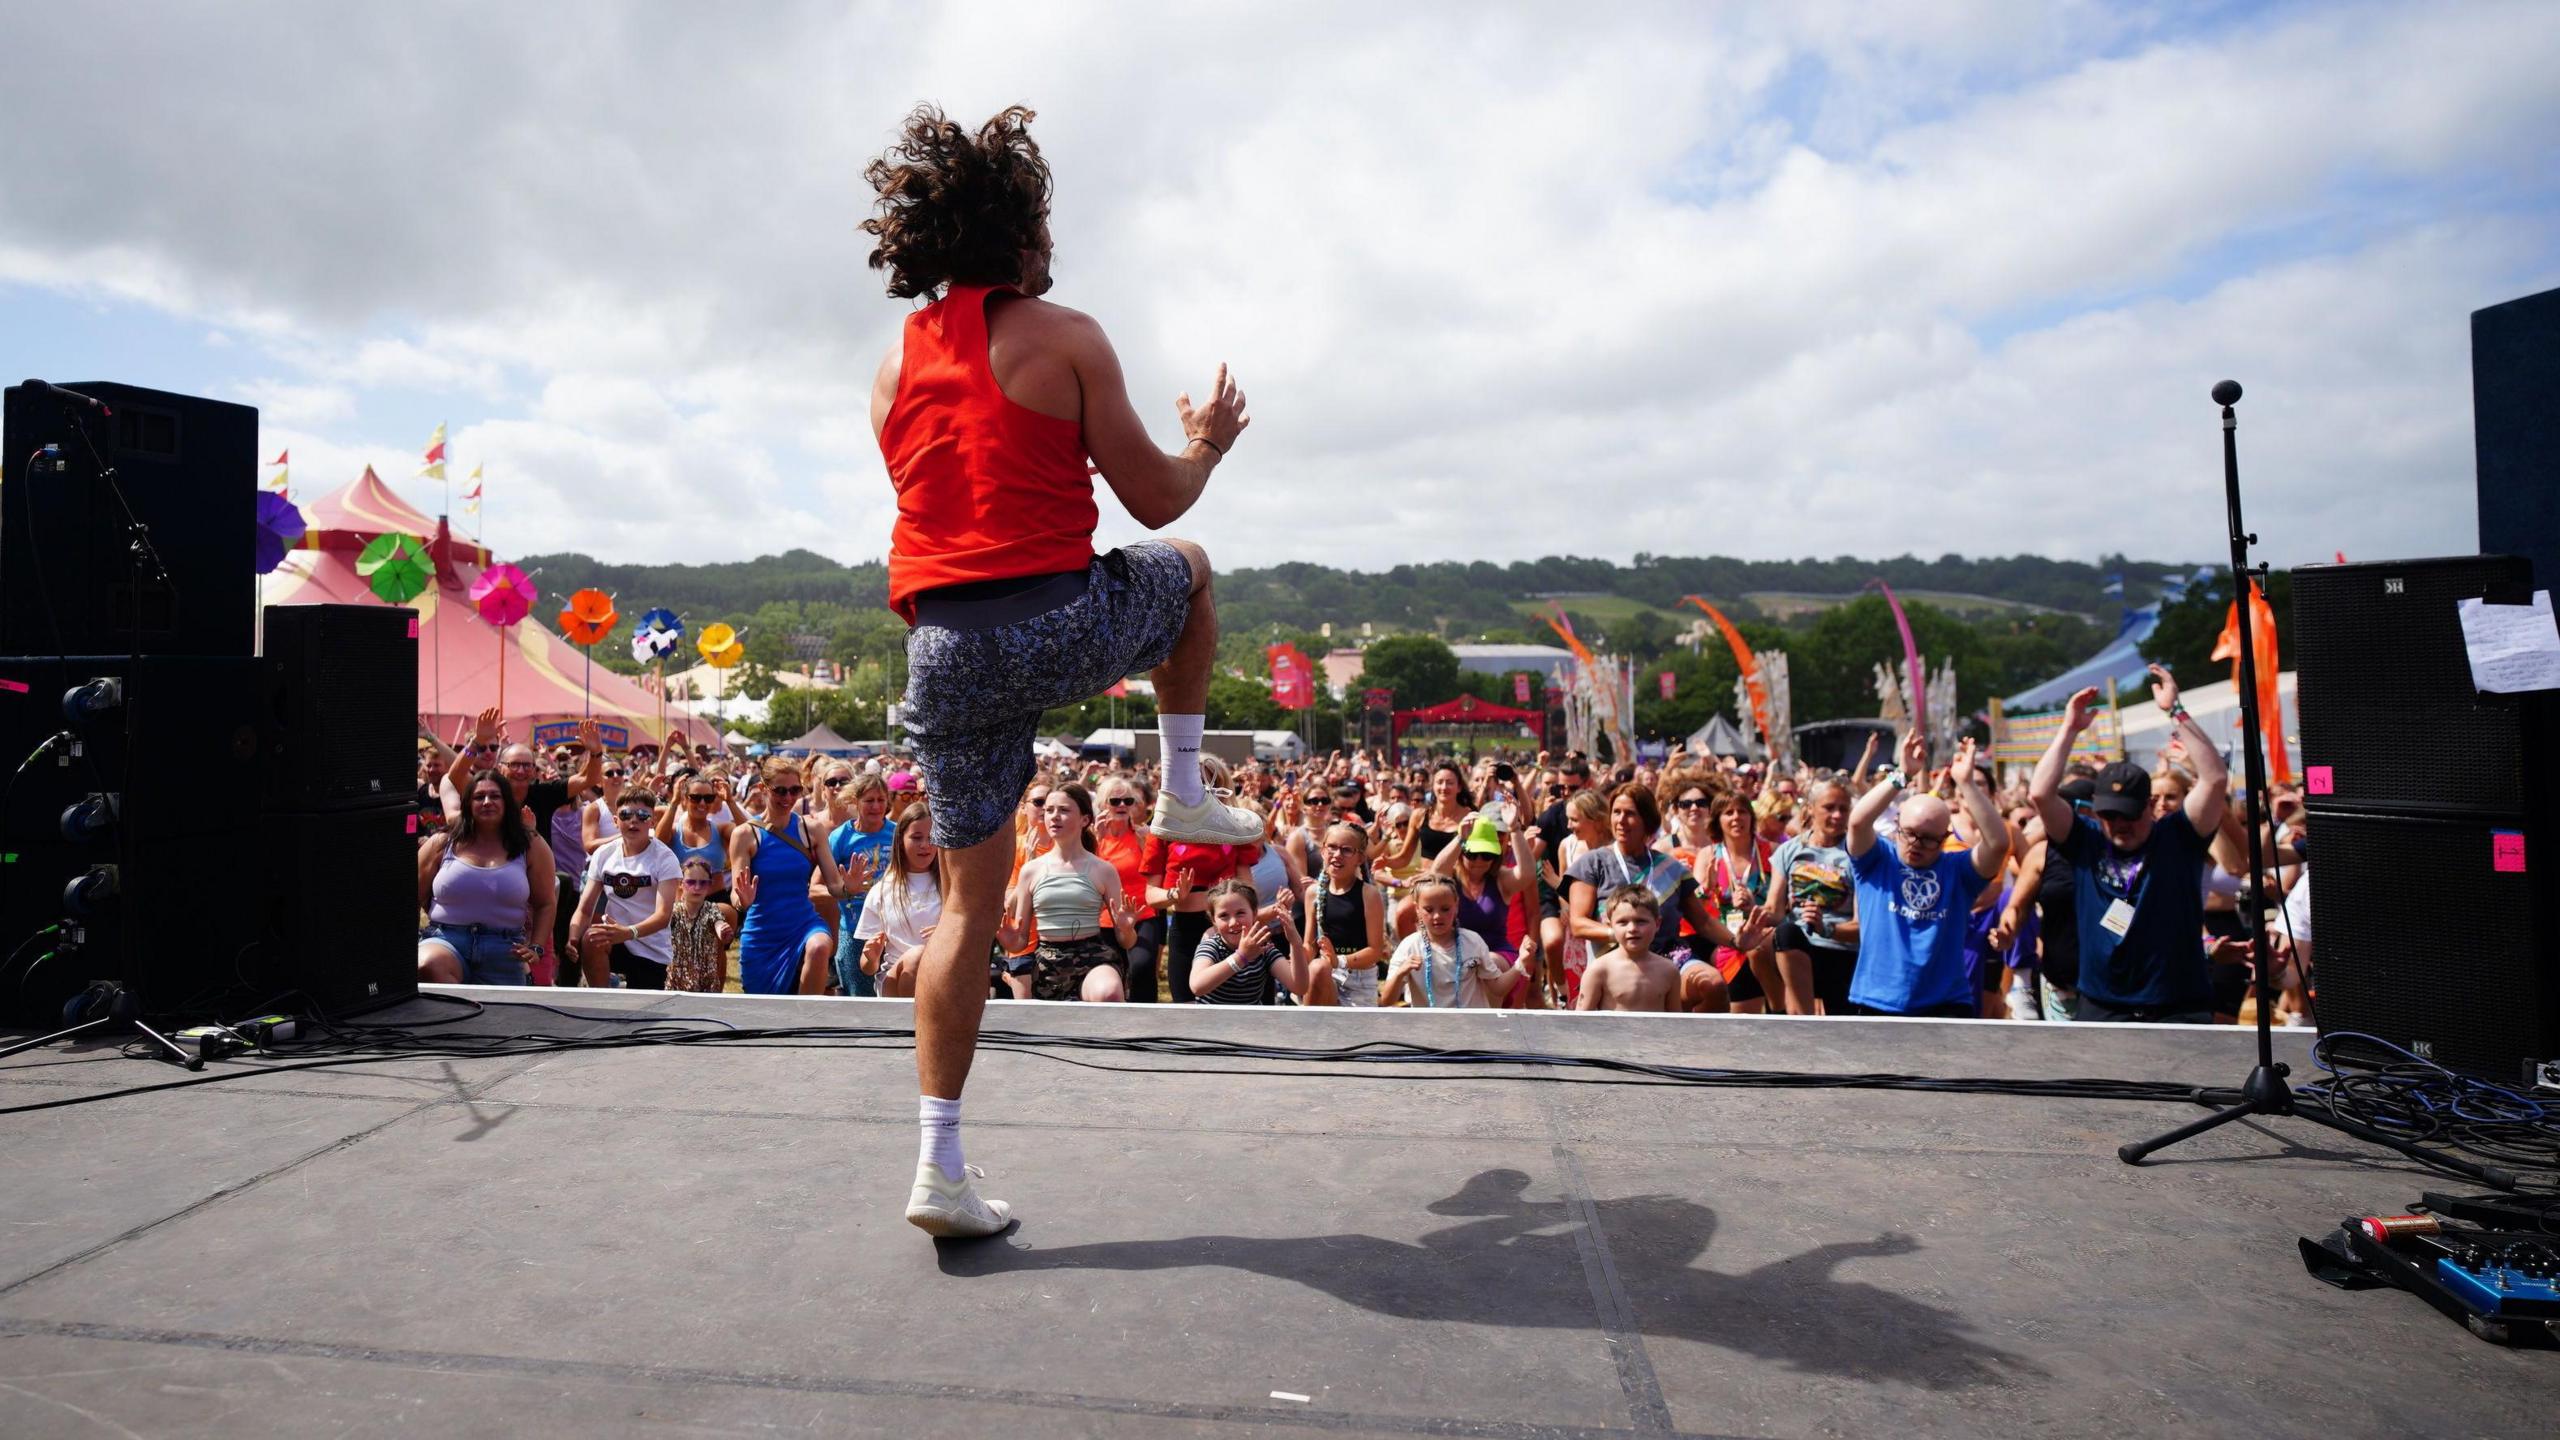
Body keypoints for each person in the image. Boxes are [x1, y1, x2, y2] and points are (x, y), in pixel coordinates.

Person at [863, 104, 1263, 1236]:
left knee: (966, 917)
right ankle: (1183, 783)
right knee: (1186, 565)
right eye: (1043, 226)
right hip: (1048, 619)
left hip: (940, 653)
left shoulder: (890, 367)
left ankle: (939, 1169)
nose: (1054, 246)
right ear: (1016, 236)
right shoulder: (1067, 335)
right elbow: (1156, 499)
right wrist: (1209, 442)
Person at [2028, 666, 2228, 1023]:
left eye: (2130, 815)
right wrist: (2070, 728)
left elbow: (2214, 780)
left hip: (2177, 1006)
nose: (2120, 825)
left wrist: (2175, 710)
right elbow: (2041, 793)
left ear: (2150, 807)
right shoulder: (2086, 840)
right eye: (2110, 815)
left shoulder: (2178, 837)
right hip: (2103, 1007)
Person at [1842, 732, 2010, 1018]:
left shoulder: (1958, 870)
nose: (1916, 844)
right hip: (1878, 1000)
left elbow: (1997, 844)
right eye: (1909, 834)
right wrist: (1902, 774)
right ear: (1897, 825)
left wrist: (1966, 784)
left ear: (1945, 837)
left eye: (1929, 838)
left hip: (1945, 1004)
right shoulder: (1877, 859)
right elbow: (1858, 822)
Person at [1563, 783, 1759, 1014]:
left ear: (1647, 819)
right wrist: (1620, 932)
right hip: (1616, 954)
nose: (1621, 821)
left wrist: (1735, 941)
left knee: (1712, 984)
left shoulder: (1671, 868)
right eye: (1616, 812)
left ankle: (1701, 1047)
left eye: (1630, 814)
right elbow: (1578, 923)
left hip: (1669, 955)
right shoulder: (1592, 863)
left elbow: (1703, 922)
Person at [442, 709, 601, 983]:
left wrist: (596, 754)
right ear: (500, 767)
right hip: (498, 890)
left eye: (527, 765)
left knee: (540, 953)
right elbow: (456, 777)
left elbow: (587, 780)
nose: (521, 770)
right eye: (514, 764)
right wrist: (475, 743)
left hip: (537, 890)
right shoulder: (490, 795)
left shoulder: (544, 792)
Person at [999, 785, 1140, 1002]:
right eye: (1049, 810)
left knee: (1109, 992)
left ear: (1085, 820)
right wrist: (1007, 940)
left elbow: (1126, 942)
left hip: (1093, 957)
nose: (1055, 816)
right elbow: (1020, 941)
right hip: (1047, 962)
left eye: (1064, 810)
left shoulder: (1103, 870)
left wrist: (1127, 928)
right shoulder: (1031, 870)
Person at [417, 769, 556, 986]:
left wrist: (536, 947)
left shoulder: (531, 844)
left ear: (507, 802)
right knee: (429, 965)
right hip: (445, 939)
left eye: (495, 796)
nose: (487, 802)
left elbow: (546, 903)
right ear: (467, 804)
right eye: (479, 797)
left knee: (503, 1019)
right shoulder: (441, 843)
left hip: (506, 946)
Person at [727, 757, 849, 996]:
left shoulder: (812, 829)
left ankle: (806, 1025)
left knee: (820, 946)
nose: (788, 798)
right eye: (780, 791)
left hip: (803, 924)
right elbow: (736, 895)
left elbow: (835, 886)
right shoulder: (744, 834)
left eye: (795, 790)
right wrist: (743, 899)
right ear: (763, 789)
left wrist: (849, 887)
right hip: (762, 935)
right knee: (766, 1018)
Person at [570, 788, 683, 990]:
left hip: (650, 947)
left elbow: (663, 916)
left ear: (652, 822)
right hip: (615, 940)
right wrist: (573, 938)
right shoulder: (604, 854)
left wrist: (628, 932)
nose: (634, 821)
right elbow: (585, 909)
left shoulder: (665, 858)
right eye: (625, 815)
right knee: (592, 938)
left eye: (642, 816)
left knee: (643, 1016)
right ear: (615, 821)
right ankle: (602, 1001)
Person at [1764, 781, 1858, 1015]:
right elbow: (1774, 912)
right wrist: (1751, 912)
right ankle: (1801, 1024)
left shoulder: (1858, 855)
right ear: (1811, 808)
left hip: (1841, 949)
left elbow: (1862, 926)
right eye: (1829, 807)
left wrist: (1825, 928)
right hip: (1799, 948)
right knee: (1783, 934)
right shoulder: (1789, 851)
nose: (1837, 815)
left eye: (1843, 809)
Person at [1384, 875, 1528, 1008]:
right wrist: (1400, 973)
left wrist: (1521, 963)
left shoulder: (1472, 941)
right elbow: (1386, 1001)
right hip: (1428, 1031)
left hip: (1471, 1030)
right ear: (1417, 909)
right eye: (1429, 909)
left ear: (1456, 906)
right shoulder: (1409, 947)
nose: (1437, 916)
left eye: (1445, 909)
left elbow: (1497, 988)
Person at [1088, 776, 1165, 1002]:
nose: (1122, 806)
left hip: (1142, 914)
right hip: (1106, 919)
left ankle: (1147, 1020)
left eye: (1128, 801)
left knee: (1141, 966)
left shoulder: (1143, 835)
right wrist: (1096, 840)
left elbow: (1156, 874)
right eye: (1115, 801)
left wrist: (1145, 846)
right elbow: (1085, 878)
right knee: (1114, 973)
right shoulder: (1093, 839)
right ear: (1103, 805)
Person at [855, 803, 943, 999]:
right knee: (916, 956)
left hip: (942, 978)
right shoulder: (882, 890)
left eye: (931, 838)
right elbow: (867, 968)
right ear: (900, 840)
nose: (925, 845)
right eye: (916, 837)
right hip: (894, 981)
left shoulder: (951, 887)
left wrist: (947, 933)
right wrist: (872, 957)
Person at [826, 770, 898, 996]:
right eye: (869, 801)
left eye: (881, 800)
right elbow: (820, 884)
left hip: (893, 927)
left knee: (894, 994)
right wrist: (847, 889)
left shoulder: (897, 833)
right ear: (855, 802)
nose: (876, 806)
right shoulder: (840, 838)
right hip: (855, 928)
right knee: (859, 997)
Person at [1189, 879, 1316, 1005]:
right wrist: (1241, 957)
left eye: (1240, 913)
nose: (1233, 922)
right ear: (1213, 920)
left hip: (1250, 1022)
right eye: (1224, 916)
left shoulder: (1263, 948)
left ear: (1254, 914)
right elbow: (1197, 986)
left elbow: (1299, 987)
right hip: (1211, 1022)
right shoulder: (1211, 947)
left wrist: (1295, 943)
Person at [1303, 820, 1383, 1006]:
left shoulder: (1369, 894)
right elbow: (1309, 944)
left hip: (1358, 979)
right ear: (1322, 851)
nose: (1337, 855)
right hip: (1323, 974)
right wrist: (1296, 955)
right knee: (1317, 967)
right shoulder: (1312, 893)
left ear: (1360, 858)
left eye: (1346, 850)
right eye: (1332, 847)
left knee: (1319, 966)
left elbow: (1375, 950)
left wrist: (1338, 961)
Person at [1573, 885, 1684, 1012]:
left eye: (1640, 921)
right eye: (1623, 922)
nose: (1632, 929)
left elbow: (1676, 1020)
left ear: (1657, 923)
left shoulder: (1669, 971)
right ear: (1610, 925)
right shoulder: (1599, 970)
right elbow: (1581, 1021)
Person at [665, 857, 738, 994]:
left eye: (703, 883)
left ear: (710, 885)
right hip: (676, 984)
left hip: (706, 985)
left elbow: (718, 921)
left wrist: (722, 930)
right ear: (681, 884)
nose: (697, 887)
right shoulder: (673, 912)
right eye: (691, 882)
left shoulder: (712, 909)